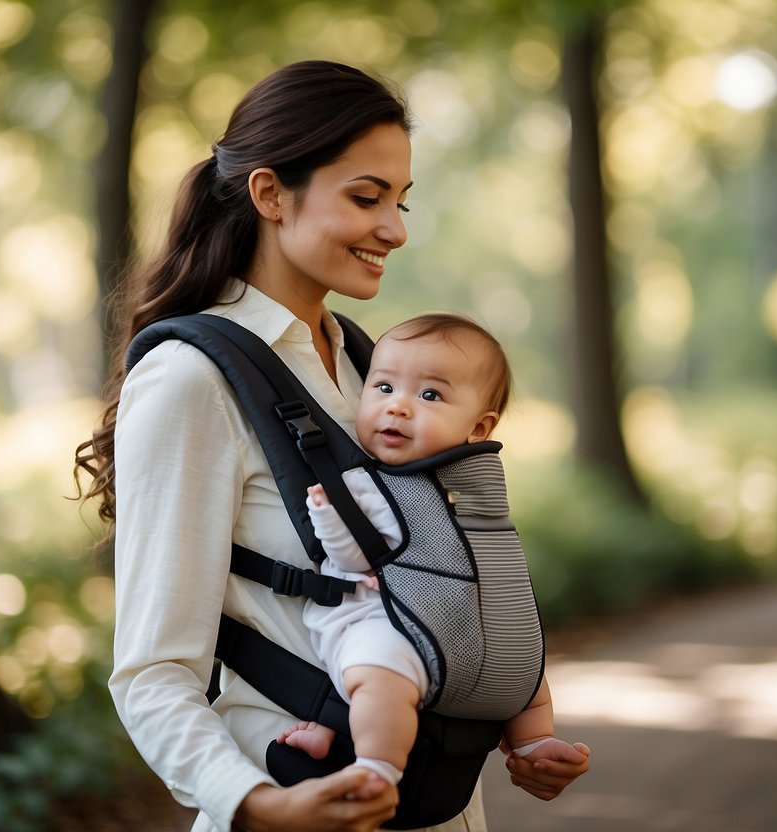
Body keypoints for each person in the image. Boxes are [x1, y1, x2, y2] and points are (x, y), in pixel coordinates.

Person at [74, 60, 590, 832]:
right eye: (365, 197)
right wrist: (258, 807)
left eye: (401, 201)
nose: (396, 229)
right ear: (270, 194)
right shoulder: (191, 381)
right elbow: (152, 672)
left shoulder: (366, 365)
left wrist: (523, 732)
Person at [278, 313, 590, 789]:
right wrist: (329, 516)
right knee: (381, 677)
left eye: (429, 395)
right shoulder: (367, 486)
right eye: (383, 388)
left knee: (526, 675)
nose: (398, 407)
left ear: (479, 428)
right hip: (391, 624)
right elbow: (353, 558)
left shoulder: (466, 484)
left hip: (466, 626)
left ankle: (533, 743)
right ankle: (375, 765)